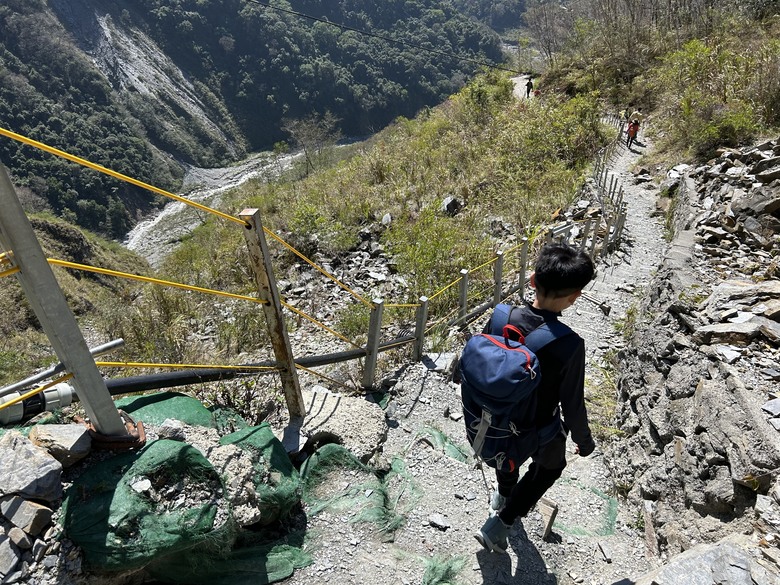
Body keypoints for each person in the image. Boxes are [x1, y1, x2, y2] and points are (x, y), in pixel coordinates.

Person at [475, 243, 596, 553]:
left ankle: (503, 494)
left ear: (532, 281)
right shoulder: (569, 345)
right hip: (539, 427)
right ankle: (502, 521)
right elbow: (572, 403)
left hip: (496, 417)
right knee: (550, 467)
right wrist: (583, 440)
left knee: (507, 457)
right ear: (574, 297)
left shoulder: (502, 316)